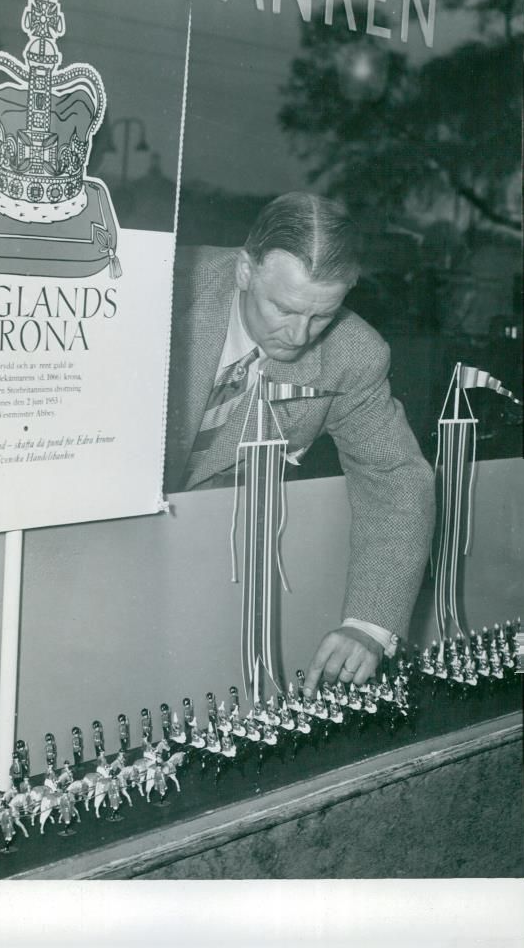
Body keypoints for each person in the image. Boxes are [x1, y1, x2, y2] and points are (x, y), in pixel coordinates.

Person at [165, 192, 435, 694]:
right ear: (246, 269)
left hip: (201, 556)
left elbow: (394, 477)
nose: (300, 335)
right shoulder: (161, 284)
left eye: (322, 315)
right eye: (284, 308)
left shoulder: (354, 353)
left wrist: (368, 624)